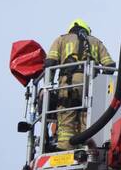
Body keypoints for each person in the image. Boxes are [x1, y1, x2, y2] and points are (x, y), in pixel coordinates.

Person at [44, 18, 115, 150]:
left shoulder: (61, 40)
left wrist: (47, 88)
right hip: (92, 86)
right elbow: (110, 65)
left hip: (69, 84)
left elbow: (50, 63)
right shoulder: (96, 42)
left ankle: (65, 150)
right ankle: (86, 148)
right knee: (87, 118)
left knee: (67, 117)